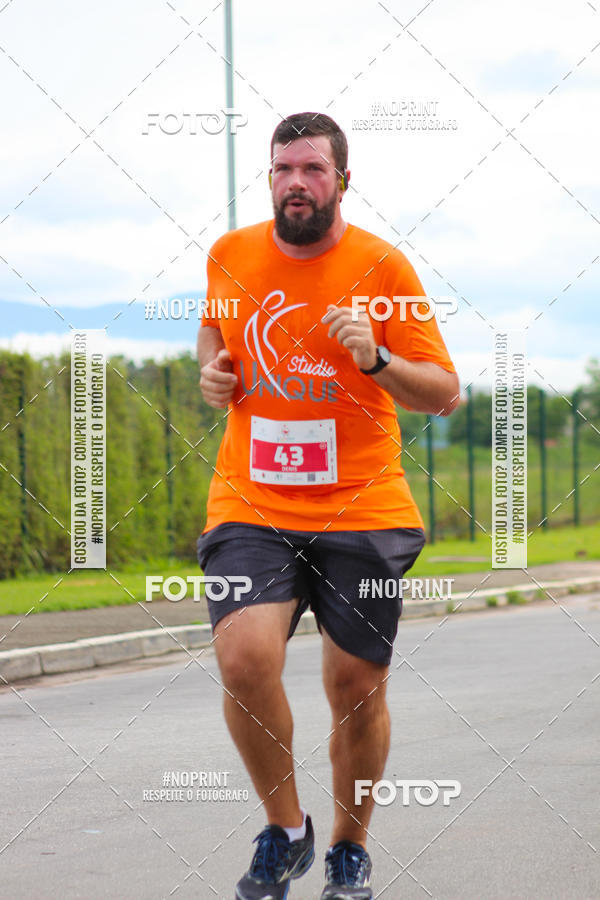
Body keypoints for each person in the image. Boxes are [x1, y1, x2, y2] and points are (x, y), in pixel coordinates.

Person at [197, 111, 459, 900]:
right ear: (270, 179)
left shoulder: (382, 266)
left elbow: (444, 393)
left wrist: (376, 358)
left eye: (313, 170)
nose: (297, 184)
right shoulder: (231, 254)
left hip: (362, 506)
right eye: (284, 170)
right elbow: (216, 336)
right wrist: (214, 373)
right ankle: (285, 831)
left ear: (343, 179)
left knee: (355, 684)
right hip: (253, 500)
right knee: (244, 659)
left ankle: (349, 848)